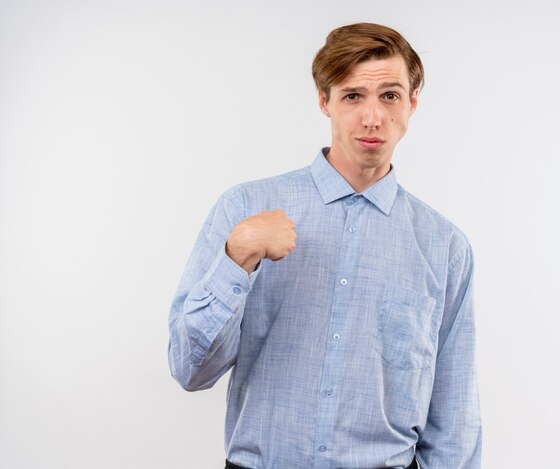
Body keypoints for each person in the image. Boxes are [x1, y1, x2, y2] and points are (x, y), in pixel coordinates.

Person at [168, 22, 481, 469]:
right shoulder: (245, 208)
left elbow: (455, 414)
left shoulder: (445, 247)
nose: (372, 117)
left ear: (412, 104)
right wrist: (236, 260)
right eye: (353, 96)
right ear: (324, 101)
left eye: (390, 96)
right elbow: (189, 370)